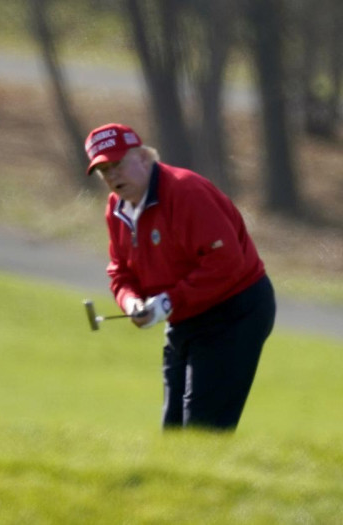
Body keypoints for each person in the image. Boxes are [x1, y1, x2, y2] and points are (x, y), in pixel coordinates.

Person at [84, 123, 276, 432]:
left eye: (118, 164)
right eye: (104, 170)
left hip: (234, 312)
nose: (112, 176)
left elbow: (226, 263)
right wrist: (132, 303)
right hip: (185, 318)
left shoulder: (186, 192)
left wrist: (168, 300)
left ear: (145, 158)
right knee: (173, 433)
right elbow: (121, 271)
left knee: (202, 430)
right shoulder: (117, 209)